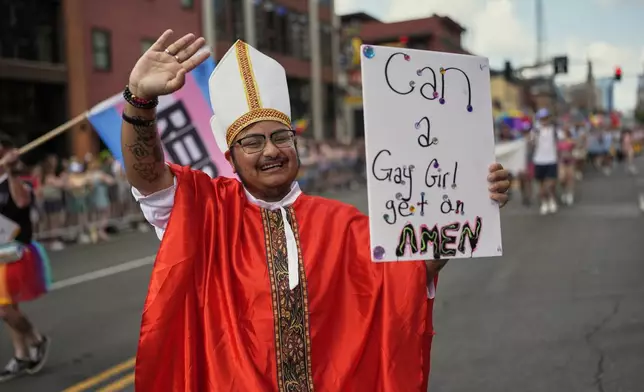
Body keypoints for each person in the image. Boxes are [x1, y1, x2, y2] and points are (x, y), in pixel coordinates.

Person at [123, 31, 511, 391]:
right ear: (231, 157)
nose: (272, 151)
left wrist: (467, 202)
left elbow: (414, 270)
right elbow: (148, 176)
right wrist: (139, 102)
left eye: (280, 137)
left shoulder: (343, 224)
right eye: (253, 142)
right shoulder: (206, 212)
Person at [0, 136, 51, 382]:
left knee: (5, 309)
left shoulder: (19, 181)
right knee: (9, 307)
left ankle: (36, 339)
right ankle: (21, 355)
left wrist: (10, 170)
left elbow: (21, 202)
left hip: (15, 253)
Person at [529, 108, 559, 215]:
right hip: (539, 160)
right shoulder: (535, 130)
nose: (544, 120)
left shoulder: (554, 129)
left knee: (551, 184)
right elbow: (531, 144)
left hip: (551, 159)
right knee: (541, 185)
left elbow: (559, 141)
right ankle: (544, 202)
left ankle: (552, 199)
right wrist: (533, 138)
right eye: (542, 118)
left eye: (546, 118)